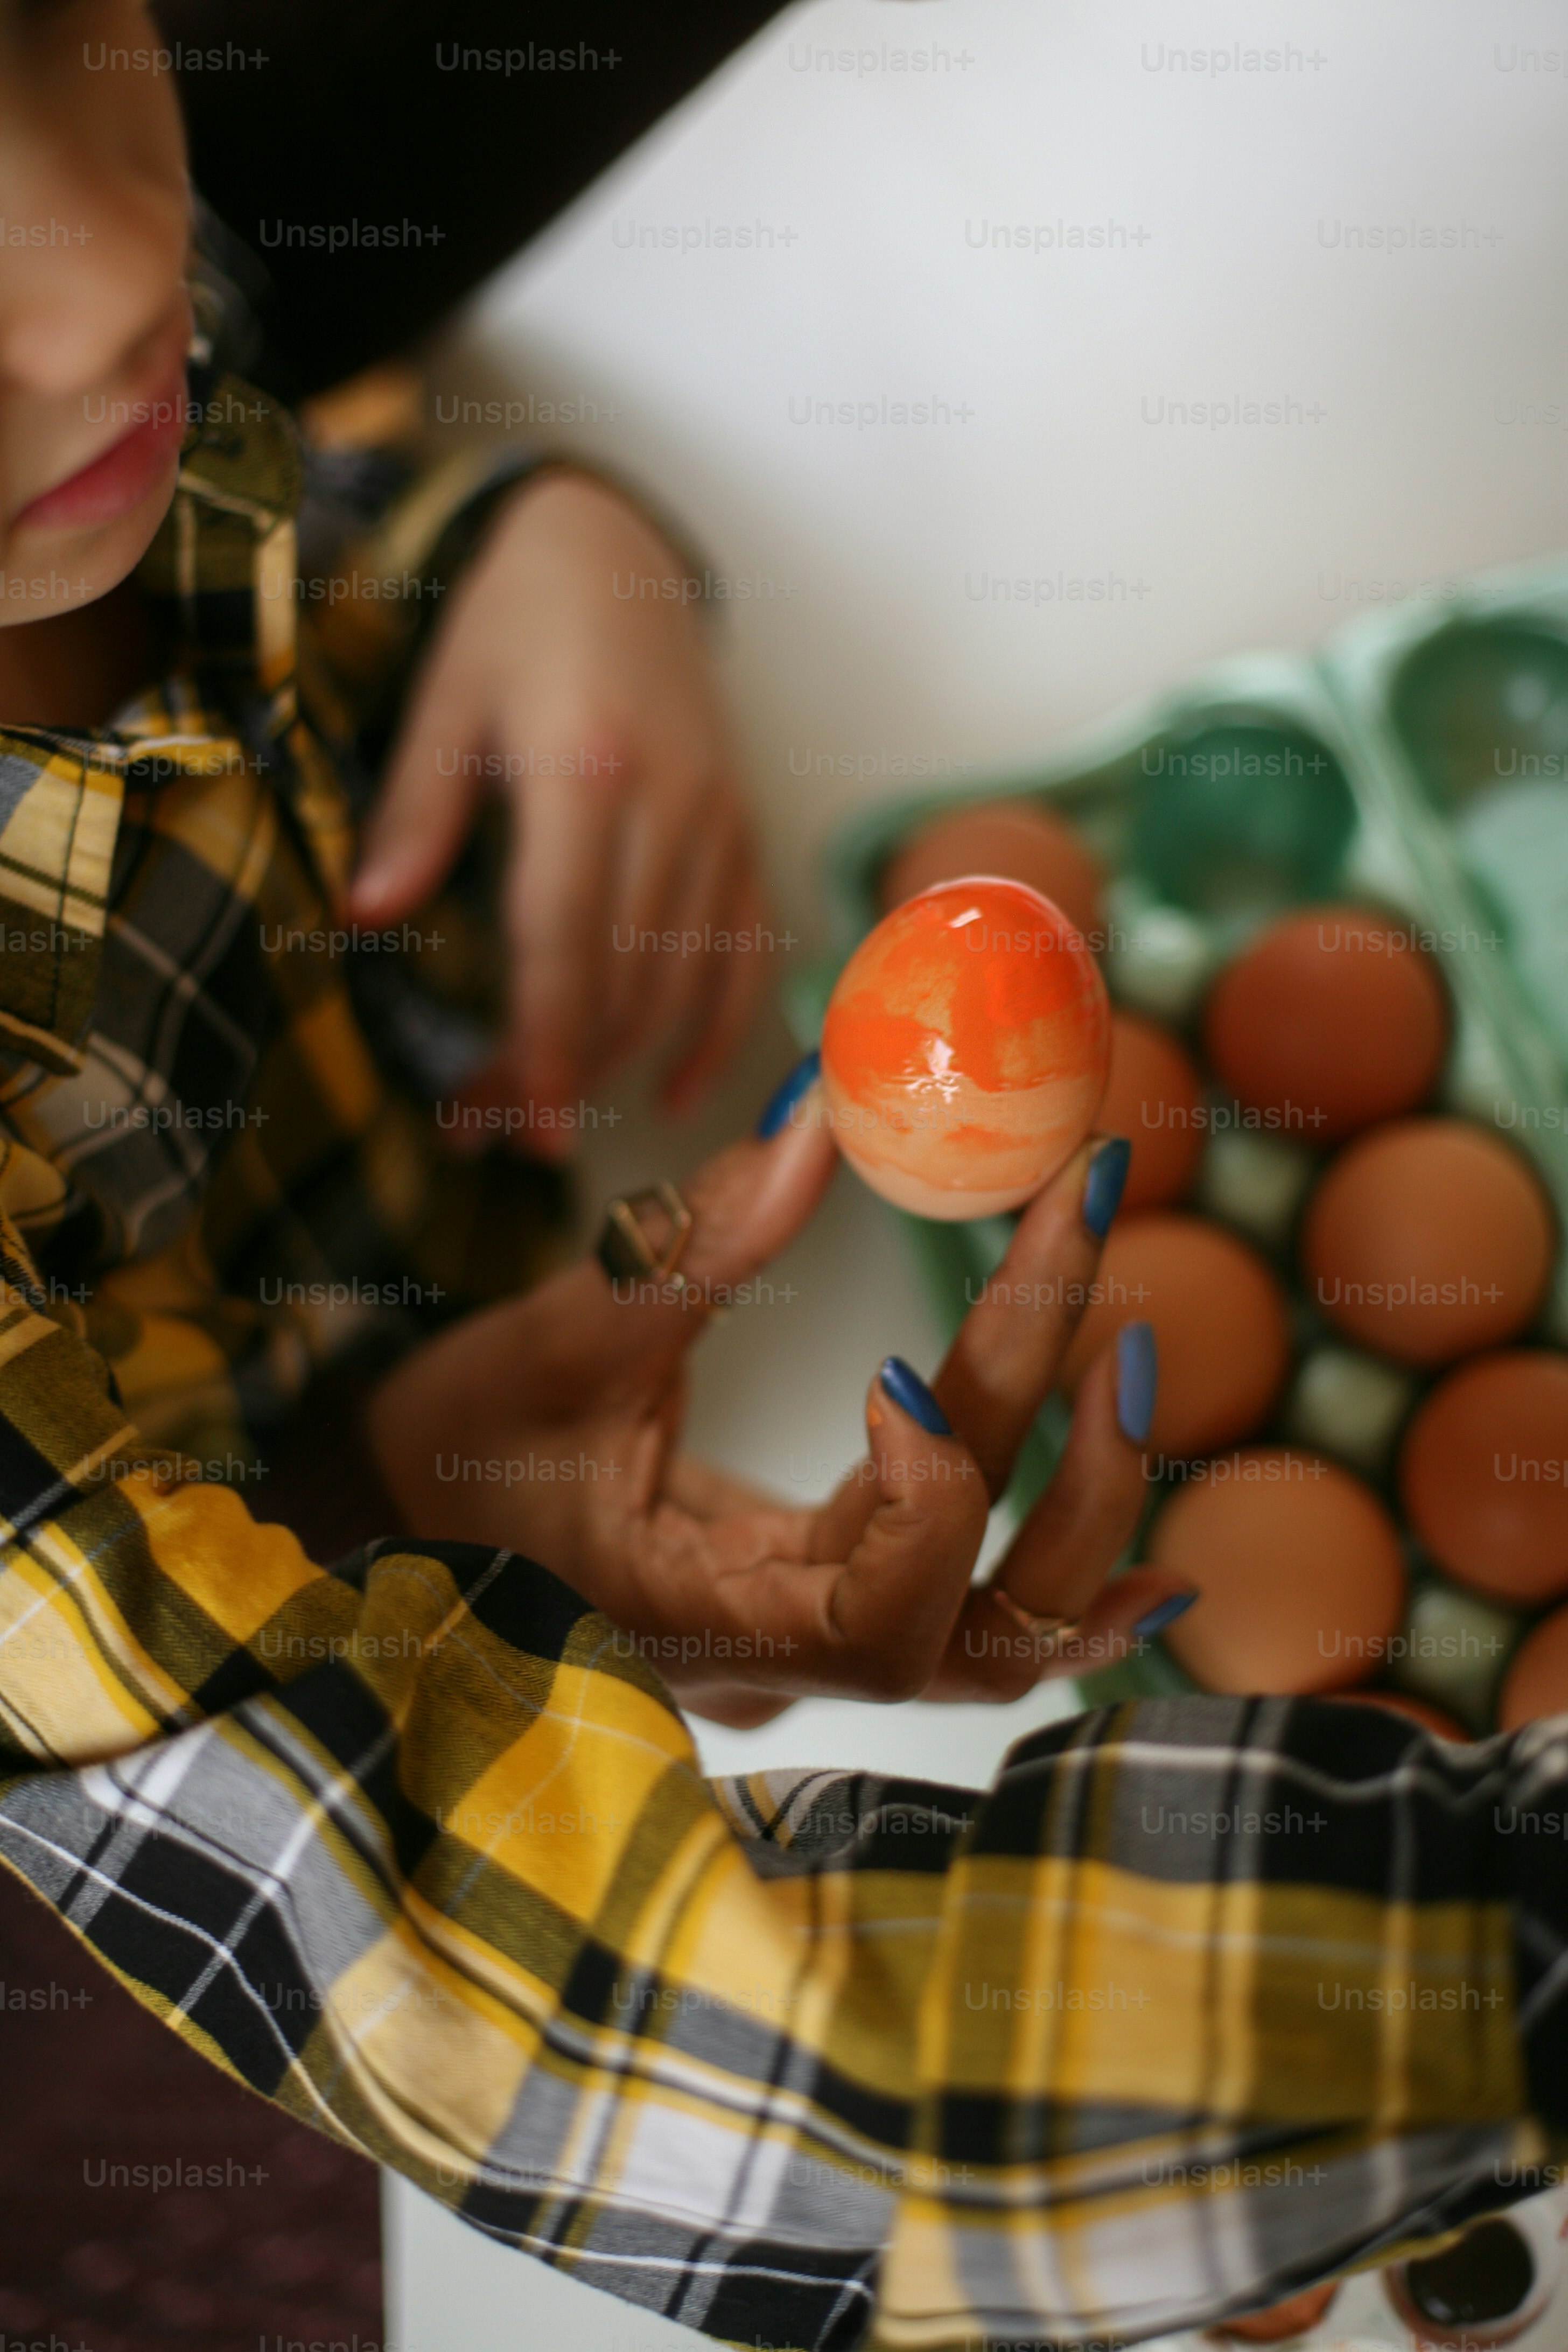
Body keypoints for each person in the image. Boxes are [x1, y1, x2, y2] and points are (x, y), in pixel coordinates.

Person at [3, 11, 1568, 2348]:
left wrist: (506, 537)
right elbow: (627, 2065)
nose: (127, 258)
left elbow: (255, 474)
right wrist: (1497, 1978)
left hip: (382, 1330)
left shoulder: (77, 346)